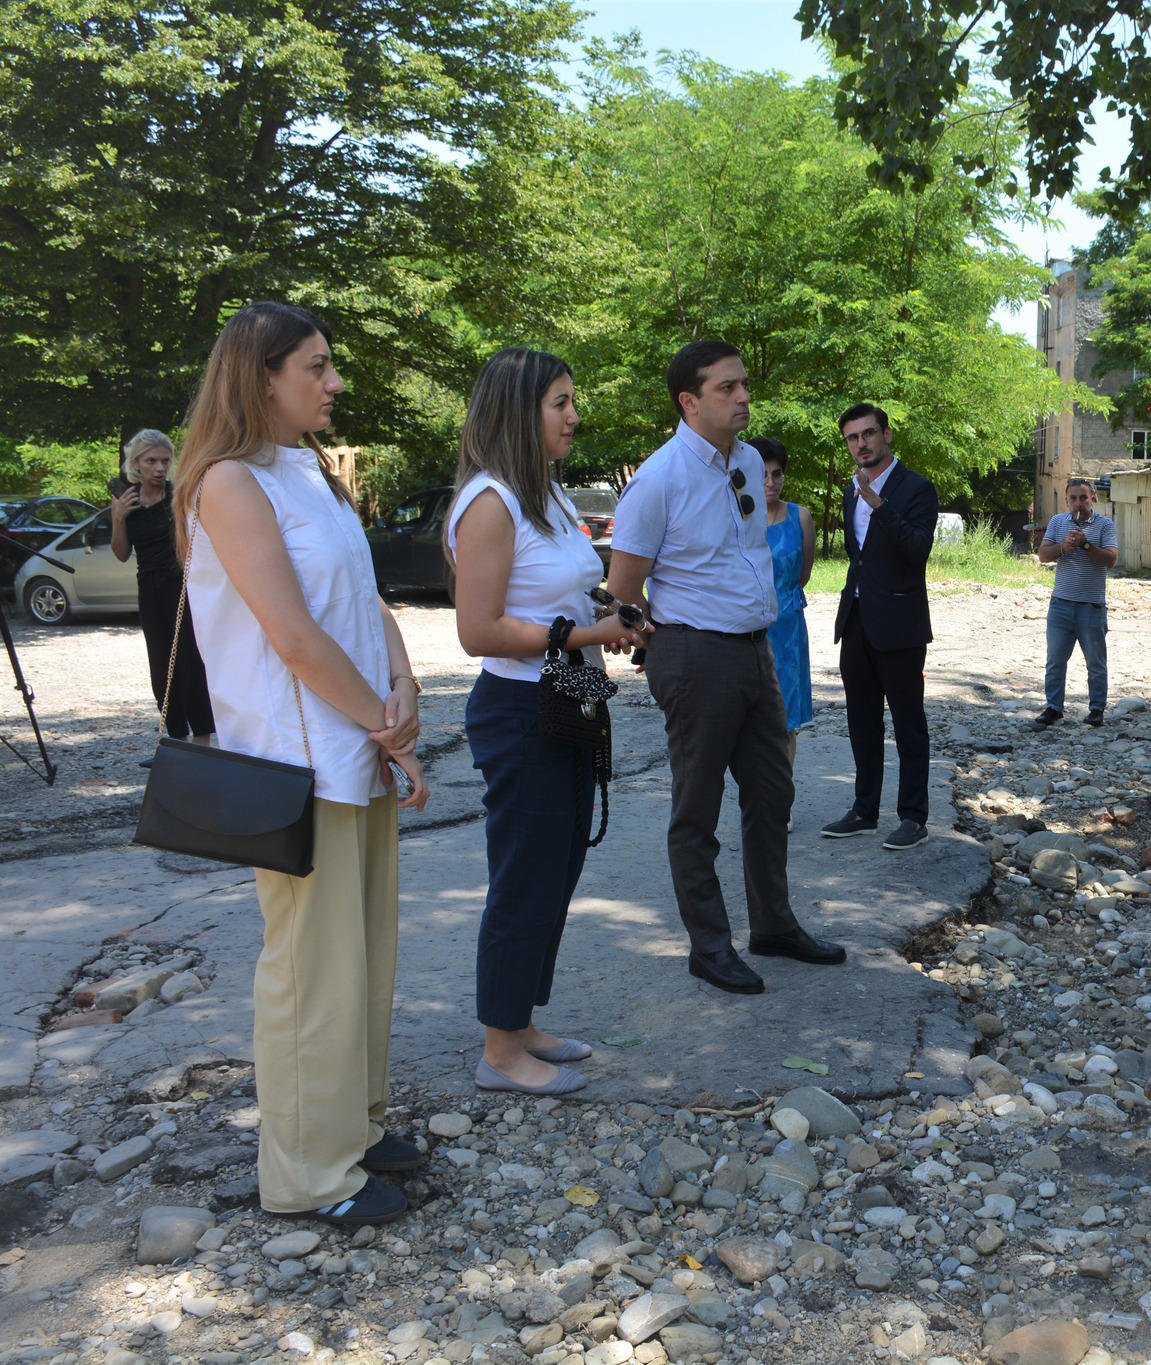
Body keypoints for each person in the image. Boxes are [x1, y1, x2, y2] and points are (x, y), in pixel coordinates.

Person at [174, 301, 429, 1226]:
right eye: (316, 367)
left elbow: (364, 602)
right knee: (308, 968)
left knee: (362, 953)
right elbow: (290, 632)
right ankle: (306, 1174)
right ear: (263, 375)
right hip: (297, 759)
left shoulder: (308, 471)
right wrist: (384, 726)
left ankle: (351, 1126)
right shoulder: (229, 483)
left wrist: (401, 690)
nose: (334, 382)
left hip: (353, 746)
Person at [606, 339, 844, 996]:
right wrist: (663, 638)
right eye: (726, 388)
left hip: (752, 647)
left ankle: (772, 924)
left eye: (744, 385)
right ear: (689, 401)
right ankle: (709, 946)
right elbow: (621, 589)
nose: (743, 397)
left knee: (773, 792)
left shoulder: (743, 461)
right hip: (694, 652)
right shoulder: (658, 479)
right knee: (697, 806)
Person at [448, 347, 639, 1096]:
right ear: (518, 410)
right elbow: (480, 629)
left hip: (564, 698)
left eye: (572, 400)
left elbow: (558, 598)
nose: (574, 415)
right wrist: (587, 636)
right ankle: (498, 1052)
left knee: (557, 869)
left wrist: (611, 612)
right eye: (560, 402)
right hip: (520, 708)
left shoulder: (549, 498)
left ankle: (519, 1021)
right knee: (524, 876)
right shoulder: (490, 502)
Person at [823, 402, 938, 850]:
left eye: (868, 434)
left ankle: (913, 817)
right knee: (862, 722)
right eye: (852, 438)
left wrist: (880, 506)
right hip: (857, 621)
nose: (861, 444)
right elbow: (860, 557)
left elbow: (917, 552)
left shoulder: (916, 489)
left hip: (901, 624)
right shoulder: (852, 487)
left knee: (909, 725)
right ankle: (864, 809)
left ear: (886, 434)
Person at [111, 428, 215, 752]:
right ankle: (177, 738)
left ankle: (202, 740)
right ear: (136, 464)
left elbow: (196, 544)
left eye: (165, 461)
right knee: (160, 664)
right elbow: (121, 553)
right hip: (150, 589)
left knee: (190, 662)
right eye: (151, 461)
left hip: (182, 586)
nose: (159, 468)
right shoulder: (124, 496)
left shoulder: (178, 495)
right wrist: (117, 518)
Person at [1032, 476, 1119, 729]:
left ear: (1093, 498)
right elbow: (1042, 555)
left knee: (1095, 662)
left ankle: (1096, 710)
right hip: (1060, 604)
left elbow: (1111, 559)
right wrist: (1063, 547)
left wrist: (1086, 544)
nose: (1079, 502)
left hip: (1091, 607)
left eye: (1083, 497)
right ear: (1067, 500)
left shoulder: (1105, 525)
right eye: (1073, 498)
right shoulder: (1058, 522)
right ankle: (1053, 708)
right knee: (1055, 660)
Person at [756, 437, 816, 759]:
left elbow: (802, 575)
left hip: (789, 628)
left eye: (777, 474)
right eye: (762, 474)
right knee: (749, 719)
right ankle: (756, 801)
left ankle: (782, 805)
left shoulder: (801, 517)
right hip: (747, 629)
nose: (770, 482)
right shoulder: (735, 519)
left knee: (786, 720)